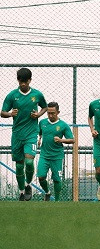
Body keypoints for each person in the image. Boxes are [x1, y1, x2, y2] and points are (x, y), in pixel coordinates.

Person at [1, 67, 48, 201]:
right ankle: (21, 192)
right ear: (18, 80)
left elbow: (44, 106)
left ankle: (28, 185)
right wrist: (10, 114)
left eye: (25, 82)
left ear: (30, 80)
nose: (23, 84)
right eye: (20, 81)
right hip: (17, 134)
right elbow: (2, 112)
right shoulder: (12, 95)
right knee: (20, 165)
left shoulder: (37, 94)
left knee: (29, 162)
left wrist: (38, 114)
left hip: (31, 133)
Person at [37, 102, 74, 201]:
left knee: (57, 179)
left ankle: (57, 201)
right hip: (44, 155)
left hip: (57, 156)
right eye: (48, 113)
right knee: (41, 176)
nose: (50, 115)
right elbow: (39, 132)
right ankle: (47, 192)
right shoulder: (42, 123)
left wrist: (61, 140)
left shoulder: (63, 125)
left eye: (53, 113)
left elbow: (72, 140)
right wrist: (39, 139)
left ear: (58, 112)